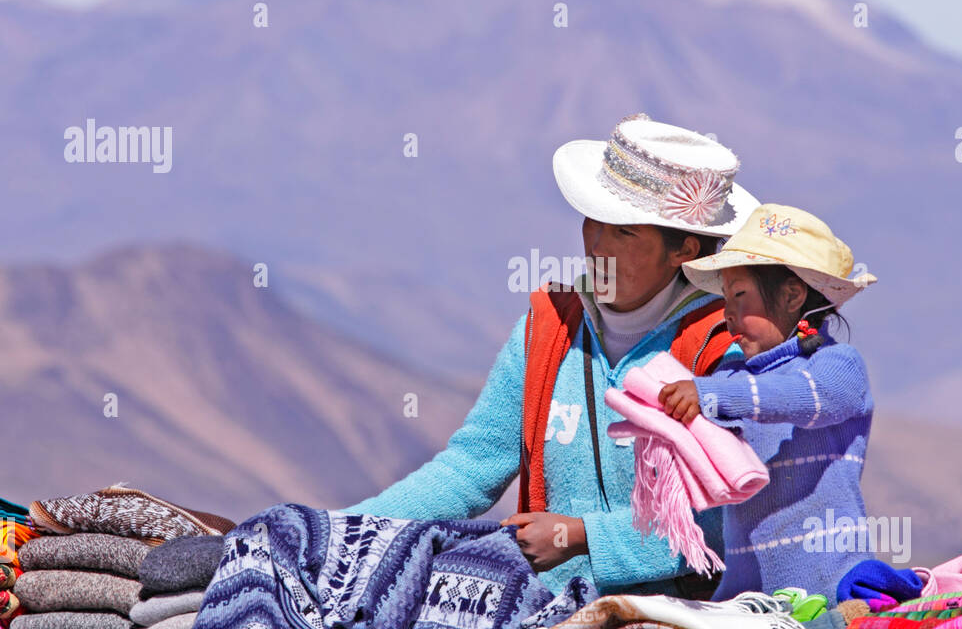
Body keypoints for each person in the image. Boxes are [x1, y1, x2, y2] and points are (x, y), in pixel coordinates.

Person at [348, 113, 761, 598]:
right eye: (593, 222)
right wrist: (350, 531)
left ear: (683, 251)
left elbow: (717, 526)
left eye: (624, 233)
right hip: (546, 611)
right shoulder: (548, 330)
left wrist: (579, 536)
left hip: (687, 616)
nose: (597, 245)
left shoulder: (723, 352)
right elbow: (471, 467)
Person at [656, 203, 879, 602]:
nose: (727, 314)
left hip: (831, 590)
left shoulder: (837, 365)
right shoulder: (729, 378)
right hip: (745, 598)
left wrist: (708, 395)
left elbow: (811, 398)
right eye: (725, 298)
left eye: (740, 295)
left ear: (793, 294)